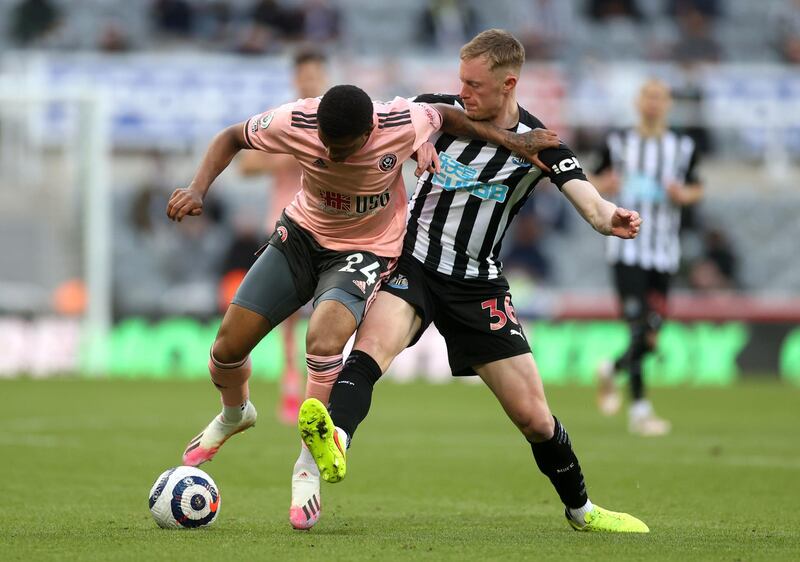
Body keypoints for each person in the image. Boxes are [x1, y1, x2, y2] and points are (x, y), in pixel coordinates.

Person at [297, 29, 649, 533]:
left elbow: (591, 204)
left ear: (508, 84)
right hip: (411, 264)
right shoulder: (435, 113)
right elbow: (376, 129)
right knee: (370, 351)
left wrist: (612, 218)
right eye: (460, 80)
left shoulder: (541, 143)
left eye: (474, 84)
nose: (463, 91)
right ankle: (337, 441)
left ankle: (582, 510)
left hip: (478, 286)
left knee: (534, 418)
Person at [166, 82, 560, 530]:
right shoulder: (296, 120)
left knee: (326, 335)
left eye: (344, 148)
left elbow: (447, 117)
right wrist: (197, 188)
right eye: (327, 146)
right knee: (226, 350)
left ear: (370, 131)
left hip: (365, 249)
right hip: (300, 236)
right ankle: (236, 414)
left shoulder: (399, 120)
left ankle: (307, 466)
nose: (332, 156)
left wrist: (509, 141)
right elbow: (231, 137)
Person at [592, 78, 703, 435]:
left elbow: (697, 187)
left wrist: (682, 194)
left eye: (660, 97)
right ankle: (640, 411)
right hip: (626, 249)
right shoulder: (618, 142)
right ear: (639, 102)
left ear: (668, 103)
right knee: (638, 326)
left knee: (652, 336)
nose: (653, 103)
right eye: (648, 97)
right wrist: (603, 186)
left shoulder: (683, 147)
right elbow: (589, 177)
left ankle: (612, 367)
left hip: (664, 251)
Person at [238, 49, 329, 425]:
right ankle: (290, 384)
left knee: (326, 313)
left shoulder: (337, 117)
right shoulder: (285, 118)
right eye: (303, 75)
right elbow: (246, 163)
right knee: (286, 317)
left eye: (314, 74)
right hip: (283, 222)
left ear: (324, 76)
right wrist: (290, 155)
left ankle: (317, 388)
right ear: (296, 79)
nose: (308, 81)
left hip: (327, 224)